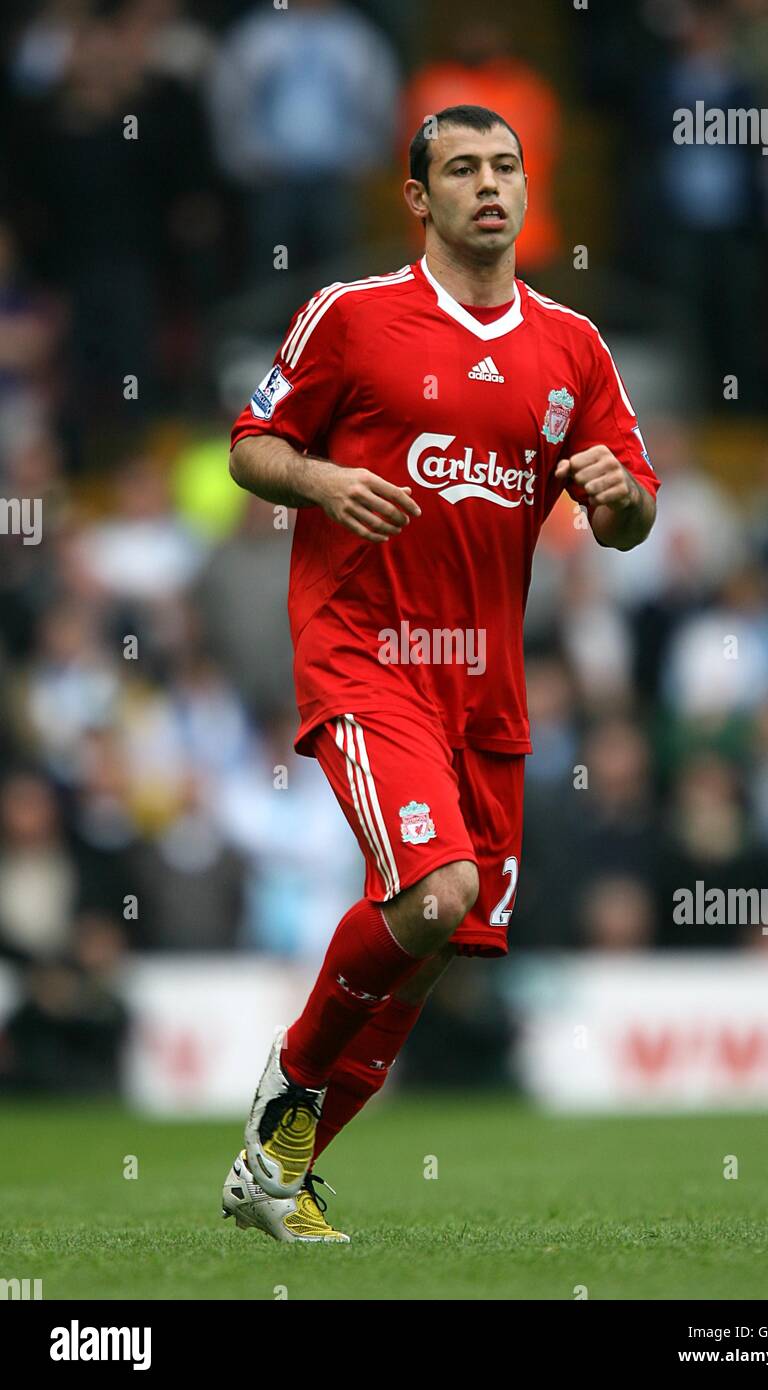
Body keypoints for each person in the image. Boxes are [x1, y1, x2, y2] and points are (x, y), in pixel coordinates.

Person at [222, 105, 661, 1243]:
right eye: (459, 169)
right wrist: (317, 484)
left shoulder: (571, 346)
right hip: (367, 658)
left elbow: (631, 519)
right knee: (436, 892)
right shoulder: (353, 318)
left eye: (504, 166)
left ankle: (280, 1174)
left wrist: (619, 500)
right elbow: (250, 443)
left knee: (429, 956)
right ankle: (287, 1086)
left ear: (526, 186)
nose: (487, 186)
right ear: (416, 197)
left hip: (488, 690)